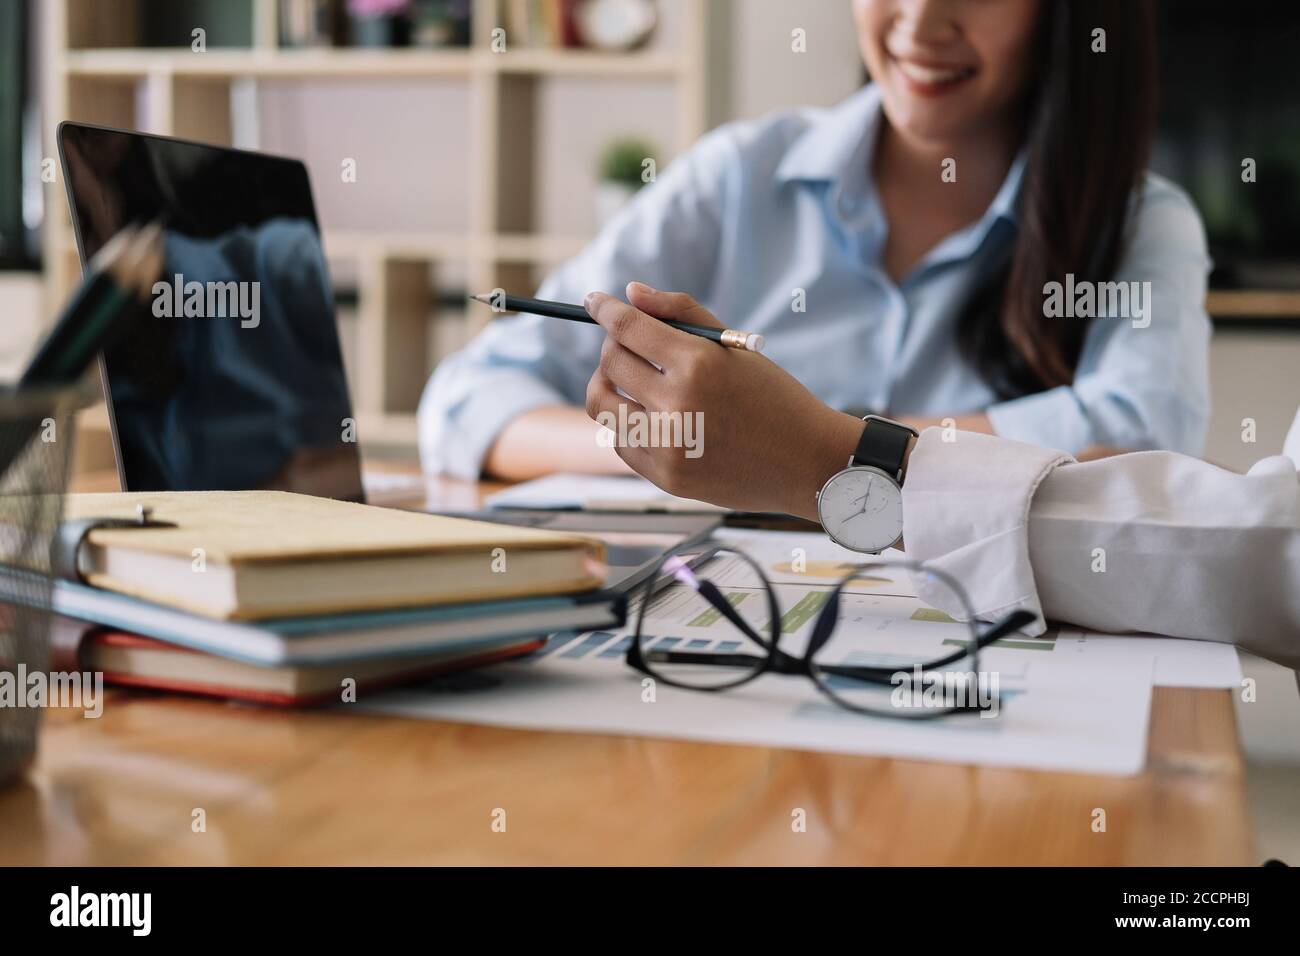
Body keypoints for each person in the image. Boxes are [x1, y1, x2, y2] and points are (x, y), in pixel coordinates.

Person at [419, 0, 1210, 481]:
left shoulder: (1141, 224)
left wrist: (801, 448)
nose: (921, 23)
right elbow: (465, 400)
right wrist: (691, 452)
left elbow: (1139, 441)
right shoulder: (738, 177)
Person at [580, 287, 1300, 668]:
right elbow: (475, 400)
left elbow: (1275, 546)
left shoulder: (1137, 208)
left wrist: (833, 459)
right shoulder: (736, 168)